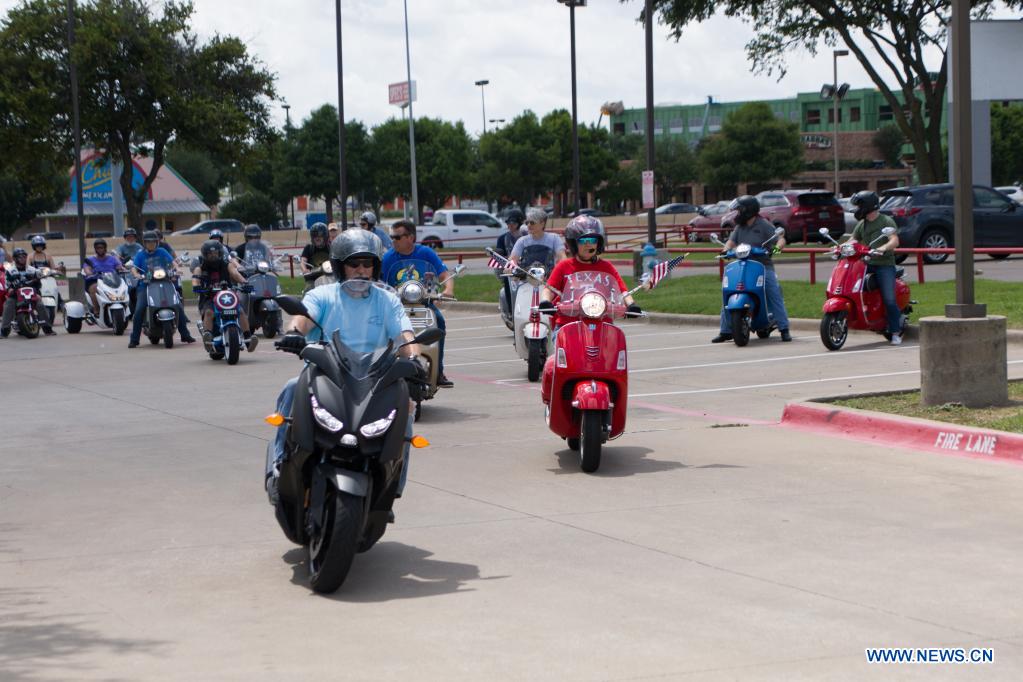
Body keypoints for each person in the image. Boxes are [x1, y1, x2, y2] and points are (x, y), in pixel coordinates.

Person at [266, 230, 422, 503]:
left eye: (367, 264)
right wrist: (294, 333)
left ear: (375, 267)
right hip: (326, 373)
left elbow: (405, 335)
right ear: (340, 267)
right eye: (354, 264)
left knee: (406, 406)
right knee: (291, 388)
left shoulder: (387, 300)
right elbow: (302, 318)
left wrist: (413, 359)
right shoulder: (323, 294)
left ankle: (393, 482)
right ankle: (279, 468)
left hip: (374, 379)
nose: (361, 271)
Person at [382, 219, 455, 388]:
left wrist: (448, 289)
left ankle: (438, 371)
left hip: (424, 303)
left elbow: (444, 275)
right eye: (392, 237)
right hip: (397, 305)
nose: (393, 241)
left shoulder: (426, 253)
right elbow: (379, 280)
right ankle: (384, 367)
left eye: (397, 237)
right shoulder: (387, 258)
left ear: (411, 237)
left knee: (439, 321)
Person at [711, 195, 792, 343]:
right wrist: (724, 250)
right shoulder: (739, 227)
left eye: (739, 210)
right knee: (729, 292)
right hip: (742, 265)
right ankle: (726, 330)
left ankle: (784, 328)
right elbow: (731, 241)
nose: (737, 214)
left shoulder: (764, 225)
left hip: (763, 266)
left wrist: (774, 250)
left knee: (773, 292)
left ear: (748, 211)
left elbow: (781, 239)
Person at [538, 215, 641, 327]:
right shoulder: (564, 266)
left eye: (592, 240)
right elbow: (549, 289)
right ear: (574, 243)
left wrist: (631, 304)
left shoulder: (606, 267)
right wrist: (545, 301)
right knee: (562, 342)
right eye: (583, 240)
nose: (588, 244)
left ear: (598, 243)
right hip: (568, 324)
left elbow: (622, 291)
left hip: (602, 324)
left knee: (618, 343)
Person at [847, 190, 903, 345]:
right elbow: (853, 239)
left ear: (868, 206)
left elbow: (894, 240)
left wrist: (883, 248)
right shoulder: (861, 224)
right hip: (865, 264)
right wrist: (839, 247)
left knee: (889, 299)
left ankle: (895, 331)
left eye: (859, 205)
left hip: (884, 264)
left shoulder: (886, 221)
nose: (857, 208)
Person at [128, 230, 196, 347]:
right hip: (146, 285)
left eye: (153, 242)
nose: (151, 244)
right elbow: (134, 267)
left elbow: (172, 262)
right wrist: (136, 274)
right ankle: (134, 339)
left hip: (165, 282)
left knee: (178, 306)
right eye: (148, 242)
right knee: (139, 309)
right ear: (144, 243)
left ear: (157, 242)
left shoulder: (162, 251)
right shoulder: (140, 254)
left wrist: (177, 269)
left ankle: (185, 335)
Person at [191, 239, 257, 352]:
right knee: (209, 313)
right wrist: (196, 286)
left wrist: (244, 282)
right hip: (209, 298)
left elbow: (235, 274)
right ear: (205, 255)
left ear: (220, 253)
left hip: (228, 298)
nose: (213, 256)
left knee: (240, 312)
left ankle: (248, 339)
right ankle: (208, 339)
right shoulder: (200, 268)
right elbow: (195, 278)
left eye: (215, 253)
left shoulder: (228, 265)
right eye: (210, 254)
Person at [1, 247, 55, 337]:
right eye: (20, 257)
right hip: (16, 295)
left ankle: (48, 329)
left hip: (31, 294)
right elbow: (7, 283)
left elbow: (38, 283)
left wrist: (38, 293)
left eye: (24, 257)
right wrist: (9, 289)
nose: (23, 259)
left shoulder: (32, 270)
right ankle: (4, 331)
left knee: (40, 305)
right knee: (8, 304)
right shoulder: (10, 271)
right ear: (15, 259)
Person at [82, 238, 126, 314]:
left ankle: (125, 306)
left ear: (105, 248)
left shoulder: (112, 258)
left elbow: (120, 267)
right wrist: (90, 273)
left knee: (124, 286)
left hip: (112, 280)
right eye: (98, 248)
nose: (100, 250)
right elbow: (87, 269)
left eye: (101, 247)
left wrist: (122, 268)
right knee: (94, 288)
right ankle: (97, 309)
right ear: (95, 249)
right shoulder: (90, 259)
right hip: (96, 280)